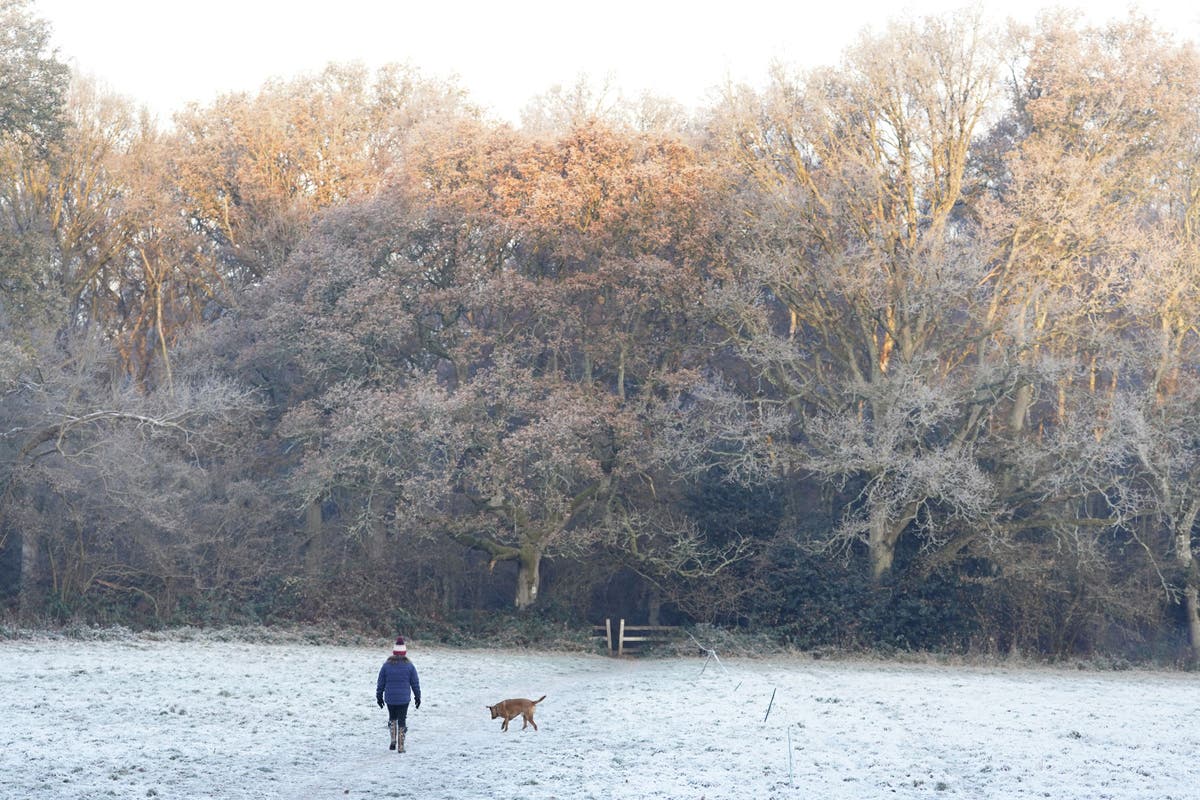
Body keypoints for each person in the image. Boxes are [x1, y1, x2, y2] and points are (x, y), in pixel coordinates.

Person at [376, 636, 421, 752]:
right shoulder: (410, 666)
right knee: (402, 720)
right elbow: (415, 683)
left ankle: (393, 741)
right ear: (404, 652)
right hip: (404, 699)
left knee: (392, 718)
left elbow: (380, 682)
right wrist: (417, 697)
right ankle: (401, 746)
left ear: (394, 652)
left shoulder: (386, 666)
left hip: (390, 698)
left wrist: (379, 696)